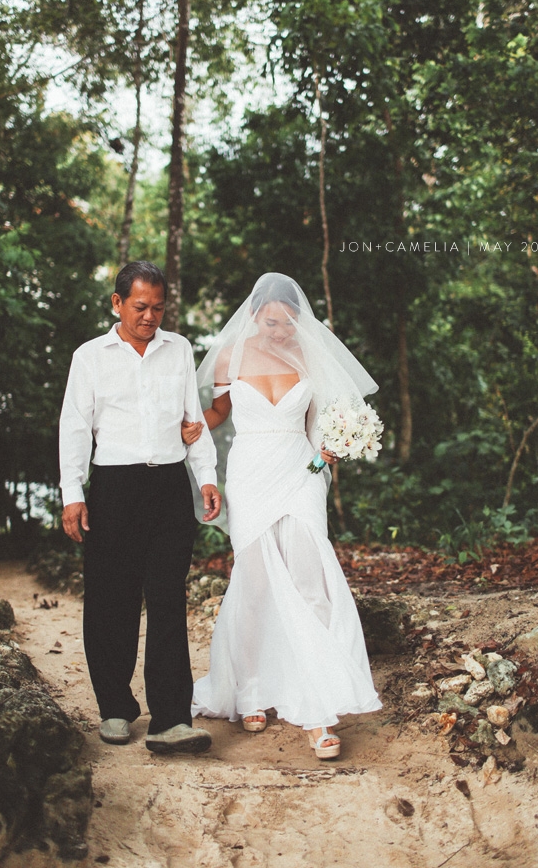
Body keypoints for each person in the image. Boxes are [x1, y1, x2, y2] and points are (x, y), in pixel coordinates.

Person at [182, 273, 382, 758]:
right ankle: (249, 690)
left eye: (289, 323)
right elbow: (220, 412)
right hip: (250, 474)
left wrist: (332, 448)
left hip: (300, 473)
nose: (280, 331)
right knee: (253, 584)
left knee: (310, 580)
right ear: (255, 315)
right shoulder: (231, 355)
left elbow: (325, 419)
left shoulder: (309, 354)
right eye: (271, 322)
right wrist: (187, 428)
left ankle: (318, 711)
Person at [59, 260, 222, 752]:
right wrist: (73, 494)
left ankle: (171, 718)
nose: (150, 316)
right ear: (117, 303)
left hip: (170, 488)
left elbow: (193, 422)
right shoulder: (90, 357)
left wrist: (207, 477)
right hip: (114, 489)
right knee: (112, 601)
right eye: (140, 307)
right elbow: (73, 427)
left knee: (169, 600)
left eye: (158, 307)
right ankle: (114, 707)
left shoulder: (179, 350)